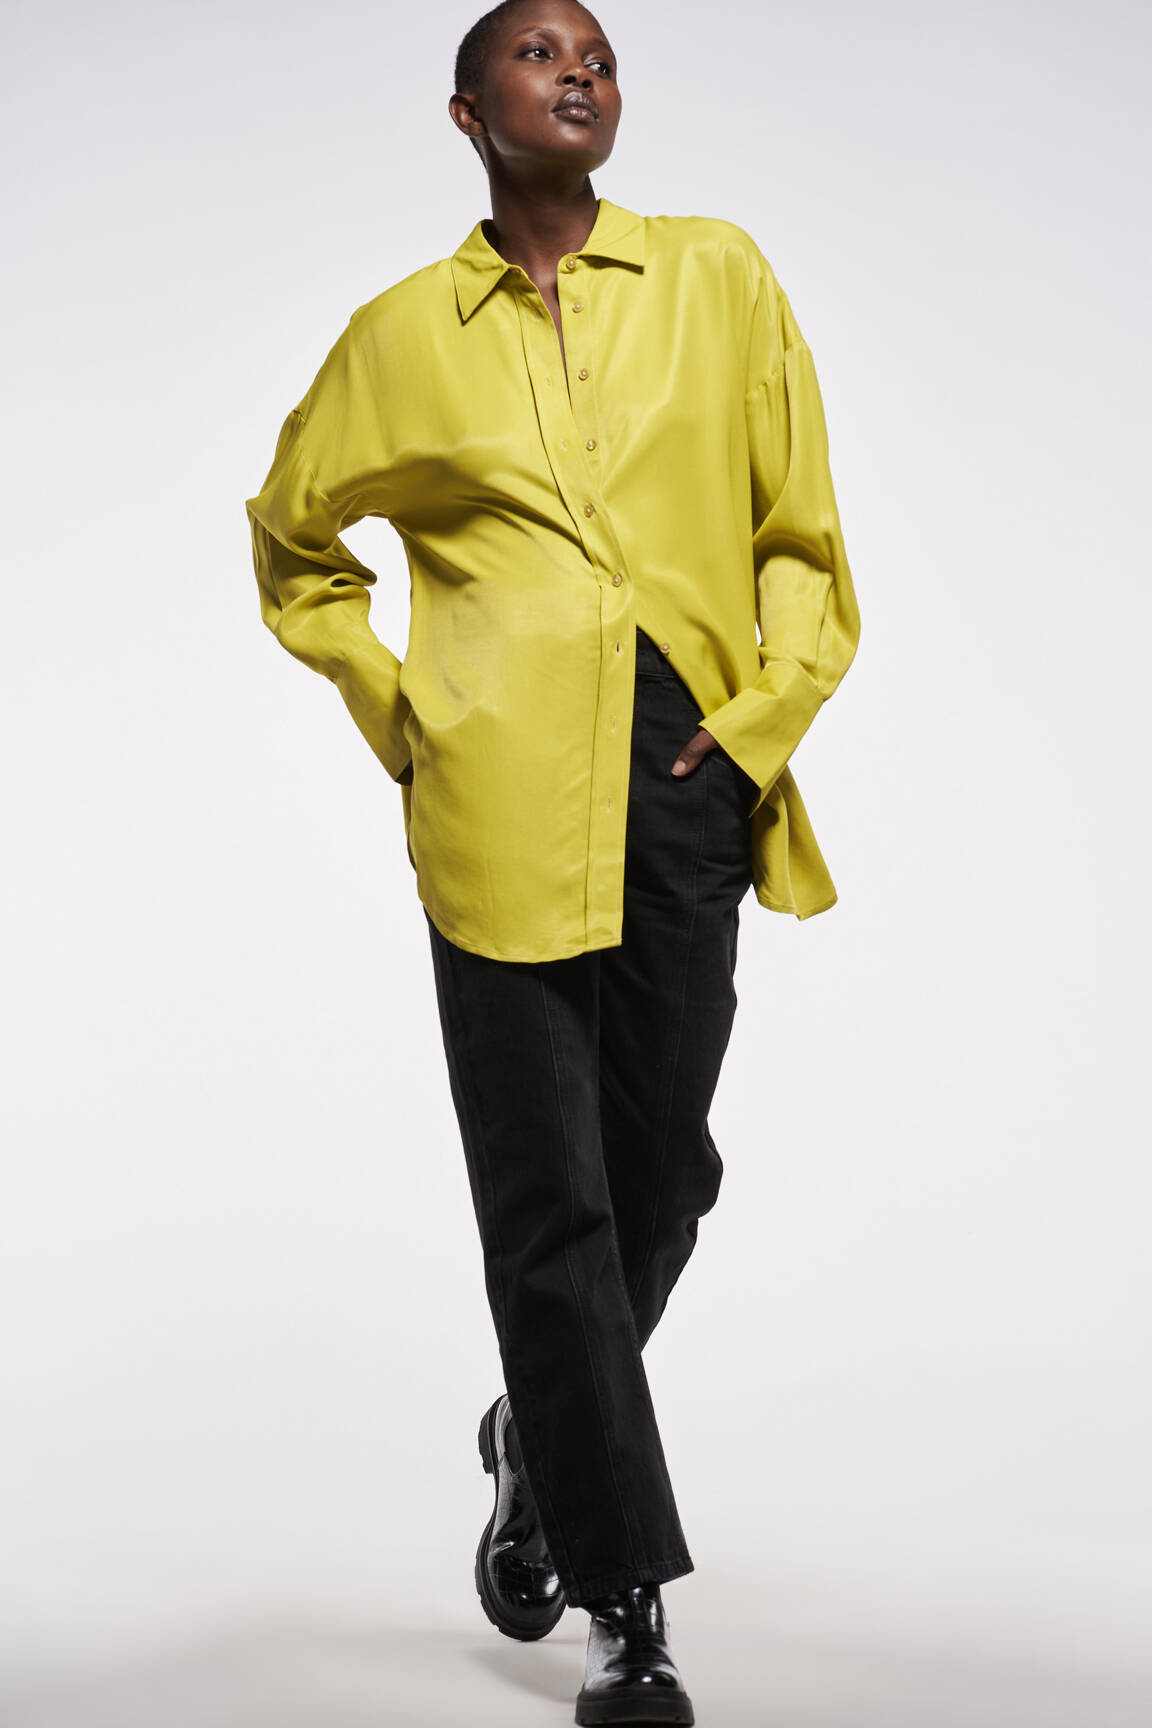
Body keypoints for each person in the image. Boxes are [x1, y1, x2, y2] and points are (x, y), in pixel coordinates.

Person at [244, 1, 860, 1720]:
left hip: (685, 769)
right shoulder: (401, 338)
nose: (579, 67)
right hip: (497, 791)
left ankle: (540, 1426)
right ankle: (625, 1598)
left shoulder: (718, 277)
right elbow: (294, 543)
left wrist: (758, 720)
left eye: (596, 50)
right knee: (549, 1202)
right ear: (466, 111)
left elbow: (801, 537)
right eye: (536, 51)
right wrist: (406, 713)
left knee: (663, 1175)